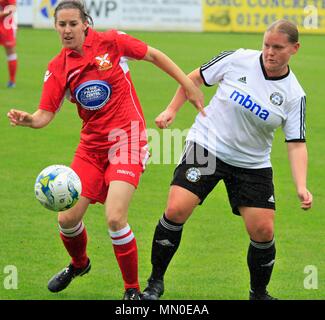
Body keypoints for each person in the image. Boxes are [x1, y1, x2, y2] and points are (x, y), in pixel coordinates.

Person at [7, 0, 204, 300]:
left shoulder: (111, 42)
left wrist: (187, 86)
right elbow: (44, 115)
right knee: (67, 220)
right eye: (62, 25)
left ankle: (132, 290)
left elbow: (153, 54)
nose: (68, 30)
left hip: (128, 142)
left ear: (86, 23)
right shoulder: (58, 68)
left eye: (73, 24)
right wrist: (29, 120)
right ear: (56, 27)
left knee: (115, 217)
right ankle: (79, 264)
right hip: (91, 148)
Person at [142, 19, 313, 300]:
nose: (270, 52)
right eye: (267, 45)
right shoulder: (238, 60)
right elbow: (194, 78)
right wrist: (171, 109)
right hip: (207, 144)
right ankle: (154, 283)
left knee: (263, 230)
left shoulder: (295, 95)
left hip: (252, 162)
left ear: (294, 48)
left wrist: (302, 186)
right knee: (176, 209)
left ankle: (259, 293)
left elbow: (296, 144)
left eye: (278, 48)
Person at [0, 0, 17, 88]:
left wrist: (1, 14)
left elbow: (13, 7)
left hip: (6, 26)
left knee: (10, 51)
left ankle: (12, 80)